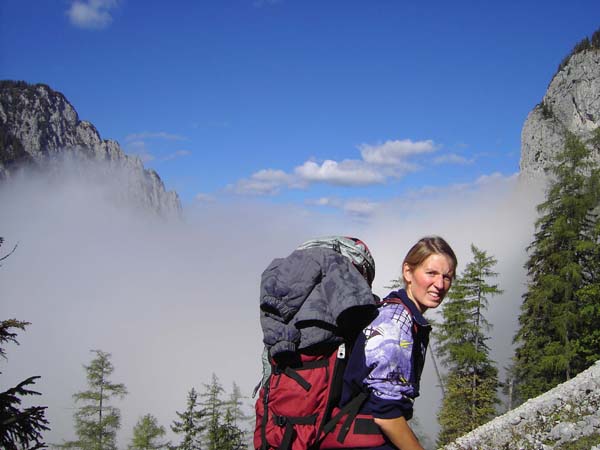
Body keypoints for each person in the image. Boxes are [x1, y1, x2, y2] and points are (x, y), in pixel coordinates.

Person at [340, 236, 457, 450]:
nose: (440, 284)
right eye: (431, 273)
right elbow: (386, 413)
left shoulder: (401, 314)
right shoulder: (394, 324)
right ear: (408, 272)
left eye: (447, 277)